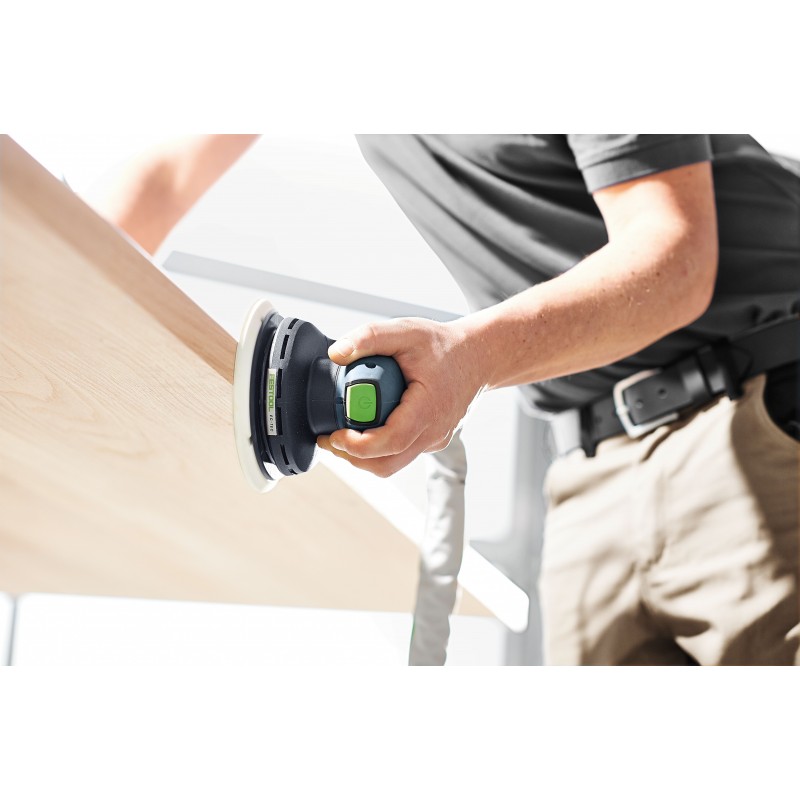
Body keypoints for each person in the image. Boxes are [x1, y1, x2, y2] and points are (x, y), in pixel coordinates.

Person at [90, 134, 800, 665]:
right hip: (587, 464)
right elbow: (166, 177)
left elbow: (677, 259)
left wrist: (469, 358)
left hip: (760, 408)